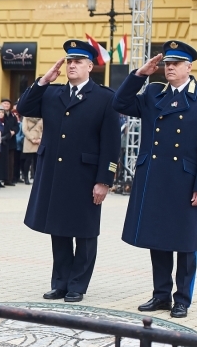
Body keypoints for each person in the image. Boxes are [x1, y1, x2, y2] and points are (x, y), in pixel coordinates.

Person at [112, 41, 197, 318]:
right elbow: (120, 103)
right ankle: (160, 295)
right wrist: (140, 74)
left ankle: (182, 299)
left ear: (189, 67)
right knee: (157, 237)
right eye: (166, 64)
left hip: (185, 180)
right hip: (155, 177)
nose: (169, 68)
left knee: (184, 241)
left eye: (175, 64)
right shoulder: (152, 92)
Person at [17, 39, 121, 303]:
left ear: (90, 66)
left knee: (85, 233)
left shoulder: (105, 98)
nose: (72, 65)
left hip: (85, 177)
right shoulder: (52, 93)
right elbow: (24, 109)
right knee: (59, 230)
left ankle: (77, 285)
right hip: (55, 175)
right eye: (69, 61)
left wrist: (104, 180)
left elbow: (111, 145)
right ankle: (60, 283)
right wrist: (43, 81)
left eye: (78, 61)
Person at [21, 116, 43, 184]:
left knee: (37, 160)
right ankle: (26, 177)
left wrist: (40, 138)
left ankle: (36, 178)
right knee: (28, 160)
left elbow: (43, 129)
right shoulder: (26, 117)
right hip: (29, 140)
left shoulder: (41, 118)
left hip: (38, 141)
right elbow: (24, 129)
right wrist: (32, 138)